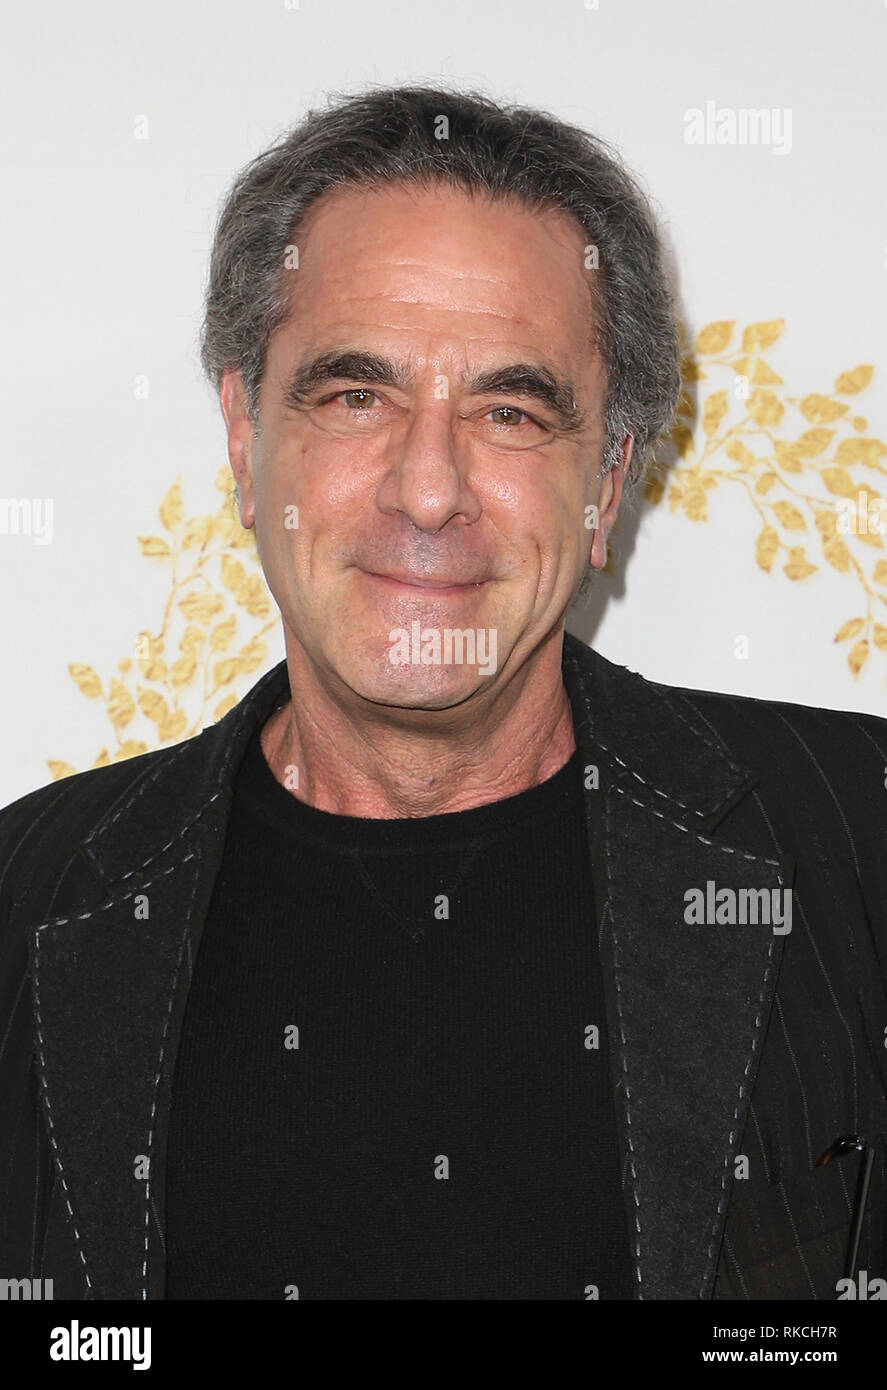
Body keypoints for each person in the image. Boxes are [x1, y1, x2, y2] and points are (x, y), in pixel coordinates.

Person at [0, 85, 884, 1301]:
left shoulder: (858, 836)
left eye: (509, 411)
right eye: (355, 397)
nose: (427, 489)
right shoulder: (28, 899)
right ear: (245, 438)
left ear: (607, 482)